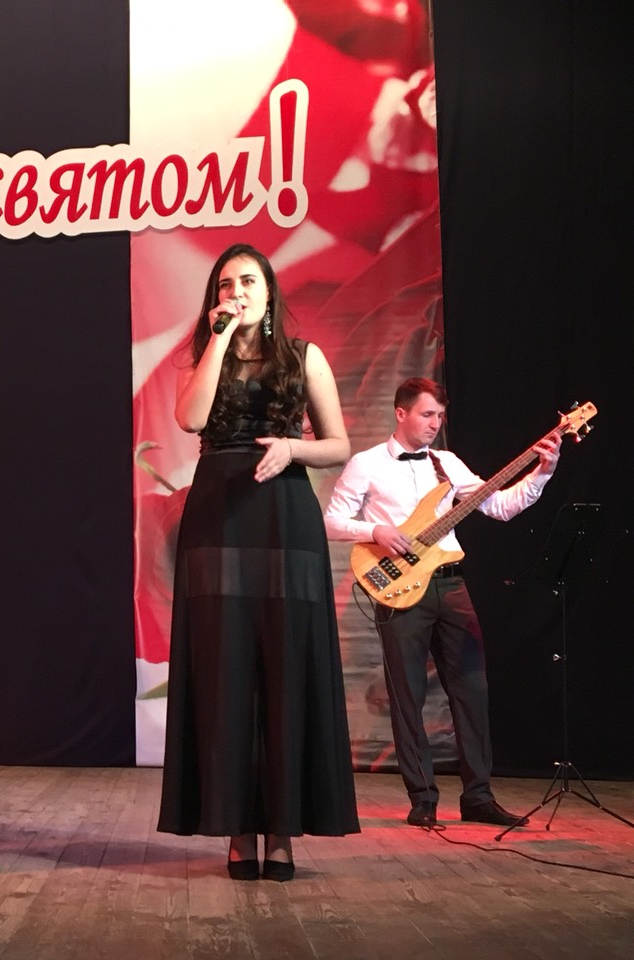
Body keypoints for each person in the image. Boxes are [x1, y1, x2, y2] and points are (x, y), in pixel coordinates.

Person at [157, 243, 360, 882]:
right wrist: (218, 339)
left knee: (283, 663)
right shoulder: (202, 354)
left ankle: (282, 833)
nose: (237, 291)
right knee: (225, 666)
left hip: (282, 514)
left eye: (248, 281)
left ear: (269, 291)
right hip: (218, 513)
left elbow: (339, 444)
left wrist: (294, 450)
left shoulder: (303, 357)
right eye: (226, 284)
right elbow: (190, 418)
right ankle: (237, 830)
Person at [324, 377, 560, 828]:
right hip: (399, 588)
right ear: (401, 413)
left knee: (472, 690)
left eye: (440, 416)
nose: (435, 424)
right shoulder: (366, 464)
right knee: (407, 695)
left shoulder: (447, 463)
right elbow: (331, 521)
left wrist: (542, 471)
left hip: (452, 586)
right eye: (427, 414)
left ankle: (478, 797)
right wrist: (375, 531)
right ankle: (422, 799)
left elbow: (500, 506)